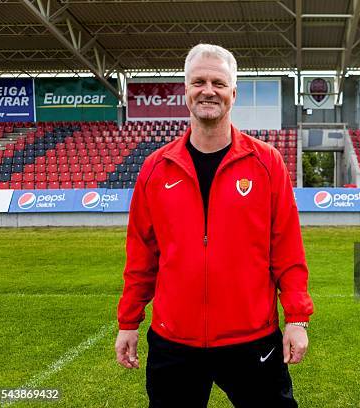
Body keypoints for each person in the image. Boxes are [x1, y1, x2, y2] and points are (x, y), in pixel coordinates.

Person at [115, 43, 314, 407]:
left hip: (252, 339)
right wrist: (129, 322)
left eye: (219, 83)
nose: (208, 90)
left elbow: (287, 248)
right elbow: (141, 254)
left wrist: (297, 319)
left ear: (233, 93)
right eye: (199, 82)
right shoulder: (156, 168)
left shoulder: (266, 162)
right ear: (186, 90)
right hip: (174, 342)